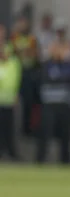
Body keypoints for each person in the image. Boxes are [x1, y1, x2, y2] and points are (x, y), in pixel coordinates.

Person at [0, 24, 21, 161]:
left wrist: (15, 93)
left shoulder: (9, 48)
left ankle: (10, 153)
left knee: (9, 128)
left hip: (8, 98)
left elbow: (14, 67)